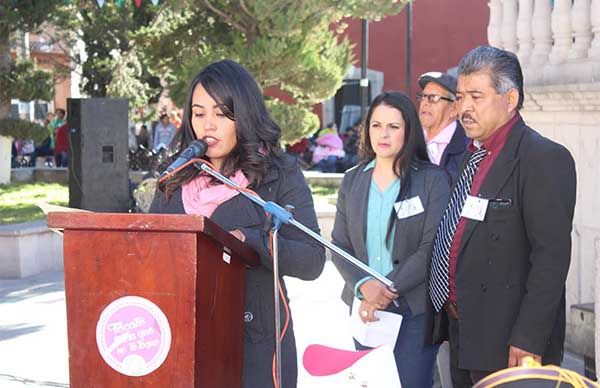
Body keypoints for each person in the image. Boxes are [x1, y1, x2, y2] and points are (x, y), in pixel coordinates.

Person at [149, 59, 325, 388]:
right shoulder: (175, 178)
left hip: (255, 347)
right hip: (184, 341)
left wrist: (251, 240)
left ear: (243, 115)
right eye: (199, 114)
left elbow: (312, 259)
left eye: (221, 113)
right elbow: (148, 254)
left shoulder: (277, 173)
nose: (208, 125)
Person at [427, 46, 577, 387]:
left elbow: (551, 260)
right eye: (461, 96)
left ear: (510, 100)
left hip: (510, 344)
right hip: (463, 334)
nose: (464, 107)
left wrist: (529, 339)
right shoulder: (472, 157)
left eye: (476, 97)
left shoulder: (543, 158)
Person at [331, 91, 451, 387]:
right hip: (366, 310)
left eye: (393, 127)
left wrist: (387, 288)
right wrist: (364, 286)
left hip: (413, 311)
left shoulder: (432, 180)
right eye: (376, 125)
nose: (383, 134)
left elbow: (432, 248)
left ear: (408, 131)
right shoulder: (353, 180)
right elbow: (339, 247)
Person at [417, 72, 469, 181]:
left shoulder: (469, 147)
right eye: (423, 97)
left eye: (433, 98)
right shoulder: (411, 140)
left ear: (454, 108)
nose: (425, 103)